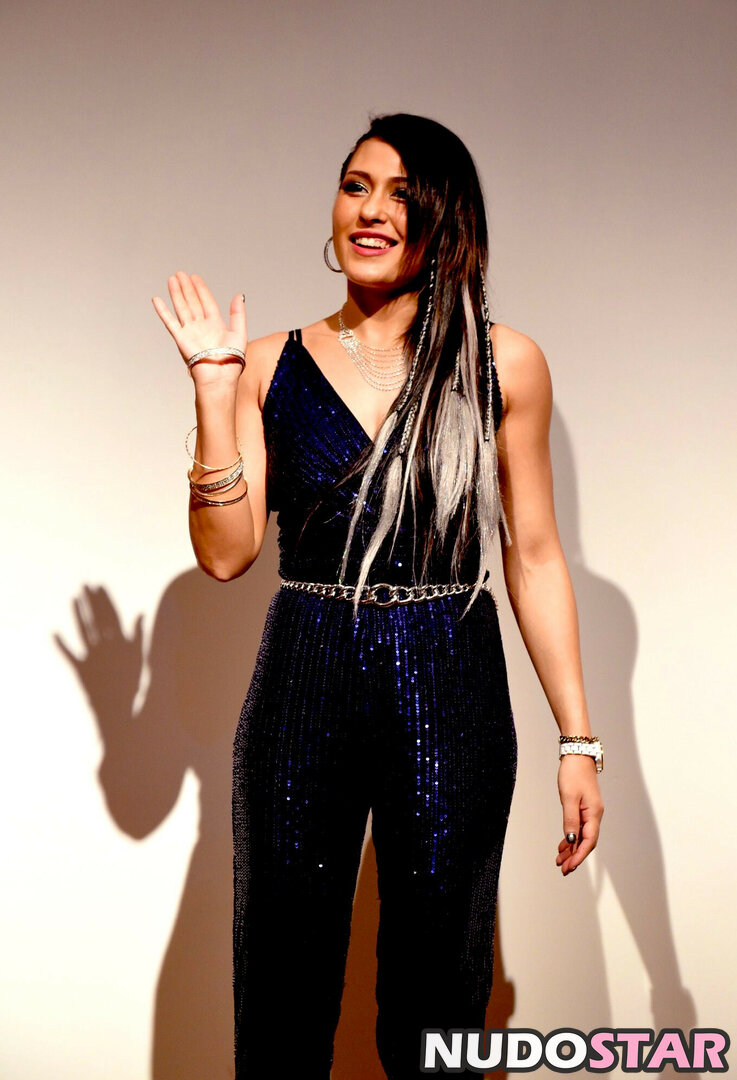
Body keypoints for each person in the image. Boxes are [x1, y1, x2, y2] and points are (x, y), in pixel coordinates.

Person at [152, 112, 604, 1080]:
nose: (371, 210)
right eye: (356, 186)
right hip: (303, 673)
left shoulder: (501, 363)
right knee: (281, 984)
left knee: (439, 992)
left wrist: (577, 740)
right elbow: (226, 556)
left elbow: (531, 555)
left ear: (445, 220)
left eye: (401, 195)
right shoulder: (265, 364)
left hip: (450, 673)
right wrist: (212, 395)